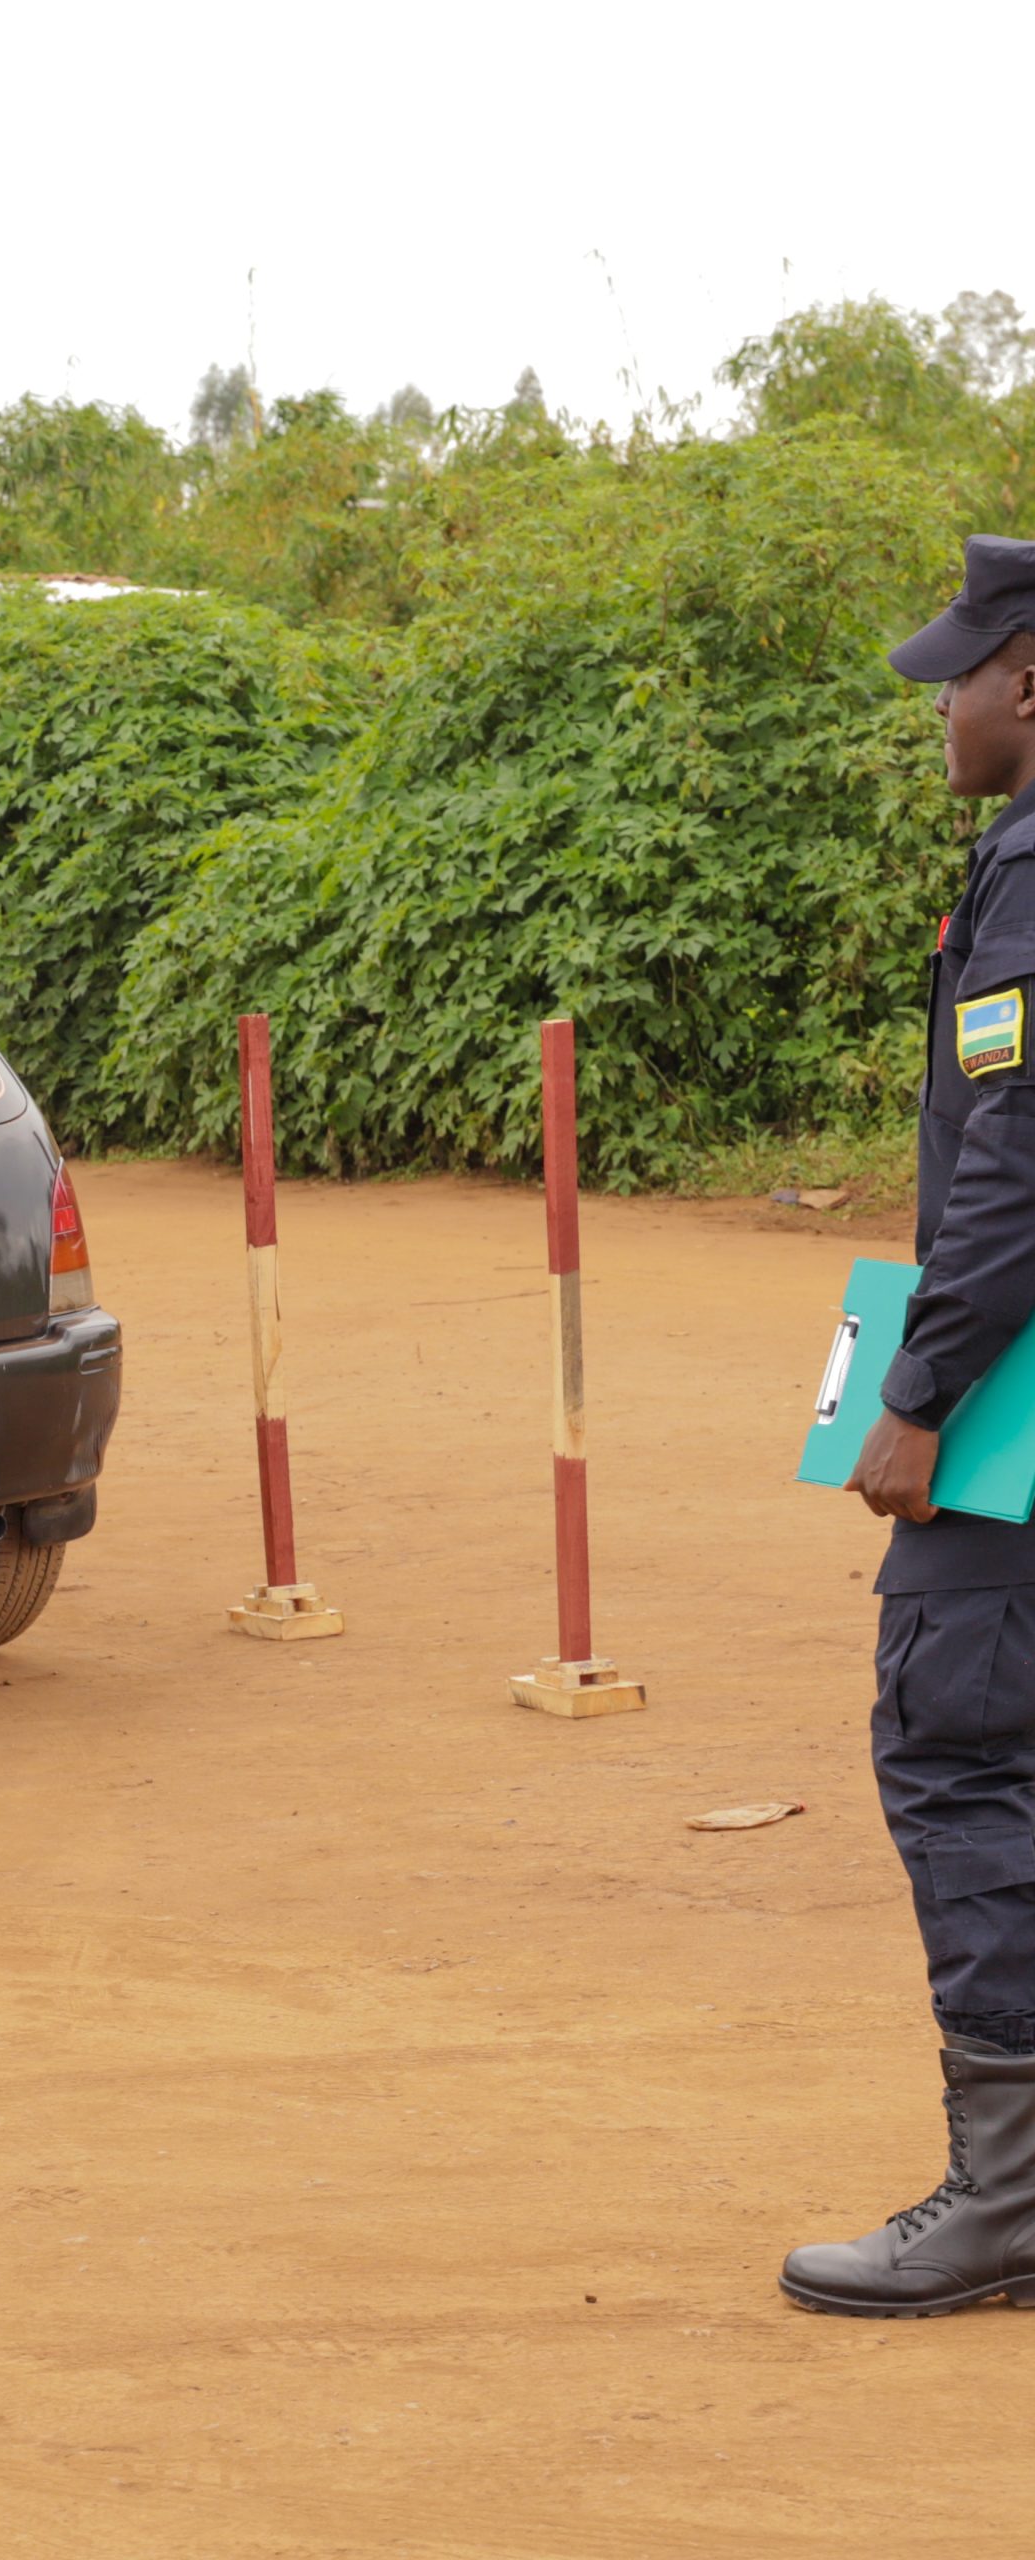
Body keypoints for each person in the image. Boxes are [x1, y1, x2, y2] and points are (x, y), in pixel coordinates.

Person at [786, 534, 1035, 2316]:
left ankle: (1006, 2202)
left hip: (1011, 1412)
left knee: (954, 1747)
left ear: (1032, 680)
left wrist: (918, 1393)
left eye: (958, 676)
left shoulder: (1032, 875)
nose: (938, 709)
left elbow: (1016, 1169)